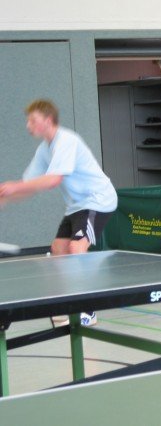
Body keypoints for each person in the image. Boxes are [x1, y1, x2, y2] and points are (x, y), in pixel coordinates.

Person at [0, 99, 118, 326]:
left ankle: (87, 309)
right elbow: (29, 185)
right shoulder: (44, 150)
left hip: (97, 200)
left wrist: (12, 188)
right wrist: (5, 198)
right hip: (76, 206)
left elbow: (53, 180)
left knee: (76, 248)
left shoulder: (66, 141)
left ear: (48, 120)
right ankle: (68, 305)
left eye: (33, 120)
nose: (28, 125)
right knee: (59, 249)